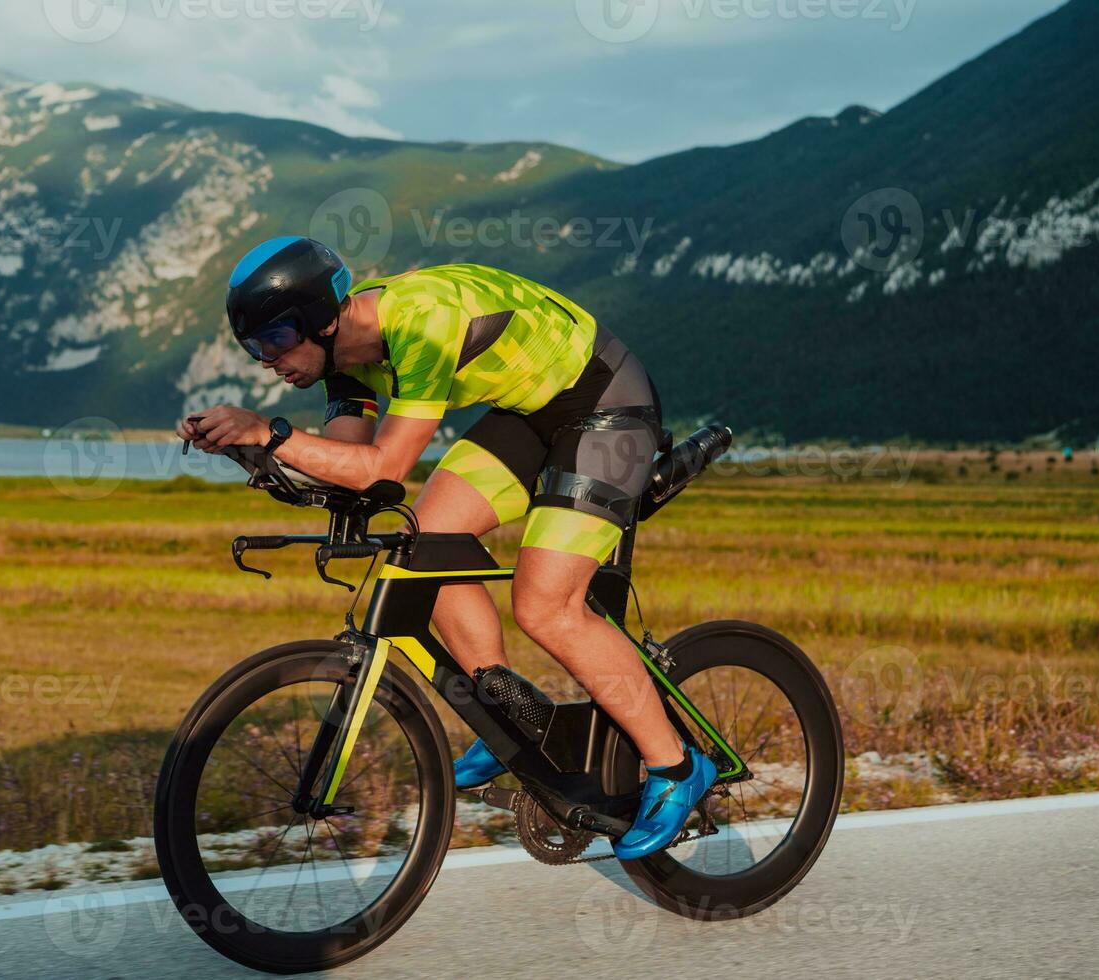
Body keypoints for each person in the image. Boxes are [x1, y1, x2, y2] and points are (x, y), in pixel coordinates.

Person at [178, 235, 714, 858]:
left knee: (546, 605)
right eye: (253, 348)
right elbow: (343, 465)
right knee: (423, 544)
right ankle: (508, 709)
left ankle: (676, 767)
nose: (266, 362)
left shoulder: (420, 325)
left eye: (272, 342)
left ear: (322, 321)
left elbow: (383, 469)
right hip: (530, 413)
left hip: (603, 401)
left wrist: (268, 430)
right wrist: (248, 449)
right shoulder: (345, 358)